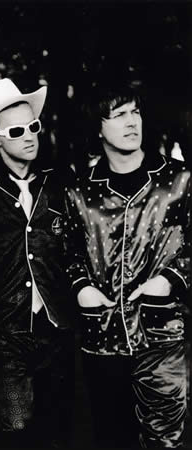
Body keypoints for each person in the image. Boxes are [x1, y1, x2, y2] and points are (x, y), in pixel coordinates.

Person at [64, 81, 191, 448]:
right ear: (98, 127)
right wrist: (82, 289)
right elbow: (69, 251)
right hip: (101, 335)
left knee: (164, 440)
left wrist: (169, 280)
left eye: (135, 112)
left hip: (161, 333)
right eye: (118, 115)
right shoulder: (80, 190)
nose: (132, 121)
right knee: (110, 438)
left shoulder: (179, 180)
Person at [0, 78, 74, 448]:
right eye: (16, 131)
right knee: (15, 430)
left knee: (58, 430)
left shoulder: (58, 184)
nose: (28, 137)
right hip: (5, 332)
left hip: (56, 328)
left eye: (33, 126)